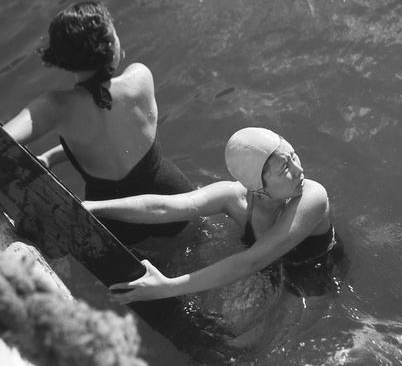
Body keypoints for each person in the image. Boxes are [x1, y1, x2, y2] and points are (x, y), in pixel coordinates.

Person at [0, 1, 193, 246]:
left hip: (111, 218)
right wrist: (51, 157)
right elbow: (117, 138)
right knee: (196, 246)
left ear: (61, 57)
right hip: (171, 194)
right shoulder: (140, 77)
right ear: (110, 47)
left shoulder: (54, 107)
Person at [83, 127, 345, 302]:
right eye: (284, 168)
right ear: (257, 187)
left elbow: (250, 261)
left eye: (294, 157)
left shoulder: (312, 197)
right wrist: (94, 207)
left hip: (318, 274)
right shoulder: (233, 198)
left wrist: (166, 287)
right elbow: (165, 206)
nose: (299, 170)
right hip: (267, 269)